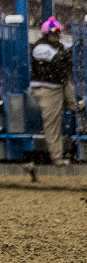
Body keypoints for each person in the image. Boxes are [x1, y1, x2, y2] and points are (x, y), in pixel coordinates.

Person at [28, 16, 76, 167]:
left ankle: (77, 137)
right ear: (46, 35)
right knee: (53, 124)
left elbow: (70, 49)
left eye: (57, 33)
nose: (55, 36)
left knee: (79, 107)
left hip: (61, 86)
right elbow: (58, 58)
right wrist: (75, 48)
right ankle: (57, 158)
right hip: (46, 89)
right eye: (52, 34)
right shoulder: (39, 48)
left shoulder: (60, 45)